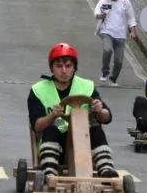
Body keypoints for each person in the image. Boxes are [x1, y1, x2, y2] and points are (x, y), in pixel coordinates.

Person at [27, 43, 118, 178]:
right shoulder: (38, 90)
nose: (64, 71)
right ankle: (50, 173)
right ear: (51, 68)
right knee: (51, 130)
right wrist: (52, 116)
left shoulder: (87, 86)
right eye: (59, 66)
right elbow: (37, 126)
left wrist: (99, 110)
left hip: (83, 145)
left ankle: (106, 170)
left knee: (96, 130)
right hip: (54, 146)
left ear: (74, 68)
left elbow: (107, 117)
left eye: (68, 66)